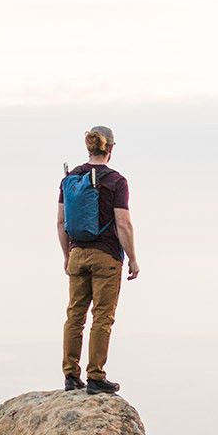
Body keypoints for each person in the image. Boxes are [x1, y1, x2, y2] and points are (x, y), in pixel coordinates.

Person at [57, 124, 139, 395]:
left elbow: (61, 222)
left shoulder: (71, 178)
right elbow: (123, 223)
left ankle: (70, 375)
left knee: (74, 315)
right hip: (106, 257)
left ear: (88, 147)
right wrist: (133, 258)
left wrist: (68, 255)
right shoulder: (116, 181)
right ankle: (95, 376)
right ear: (111, 149)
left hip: (77, 254)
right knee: (102, 317)